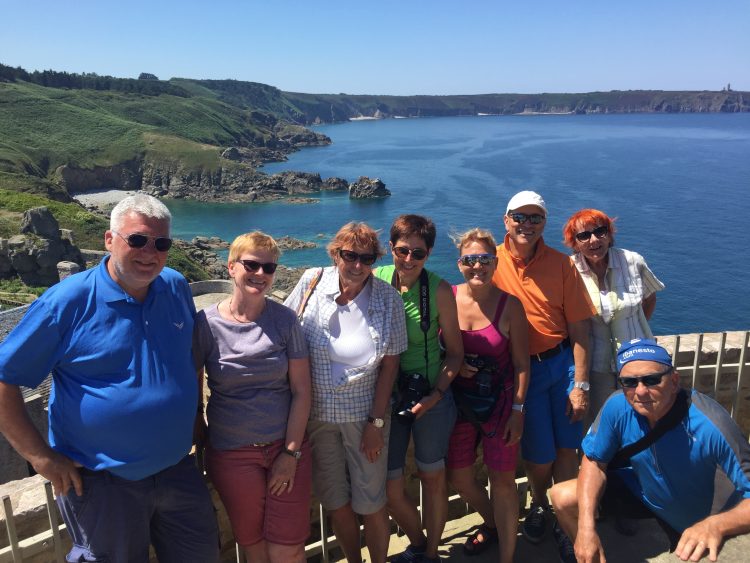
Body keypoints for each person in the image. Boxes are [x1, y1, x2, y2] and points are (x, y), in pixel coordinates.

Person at [0, 194, 219, 563]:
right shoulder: (65, 303)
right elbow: (4, 377)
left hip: (177, 469)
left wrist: (196, 413)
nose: (150, 252)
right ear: (109, 239)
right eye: (137, 240)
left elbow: (189, 358)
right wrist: (41, 458)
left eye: (161, 243)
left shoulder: (175, 286)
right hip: (102, 483)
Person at [551, 338, 750, 563]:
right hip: (647, 496)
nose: (641, 391)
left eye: (652, 380)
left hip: (706, 519)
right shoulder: (618, 406)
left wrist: (717, 525)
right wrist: (586, 528)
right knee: (562, 496)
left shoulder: (711, 424)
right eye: (629, 382)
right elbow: (595, 461)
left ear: (674, 381)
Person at [284, 222, 407, 563]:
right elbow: (282, 325)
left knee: (372, 504)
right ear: (335, 254)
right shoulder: (311, 280)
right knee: (337, 504)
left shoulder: (388, 300)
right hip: (317, 416)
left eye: (366, 258)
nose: (357, 265)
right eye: (349, 256)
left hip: (363, 416)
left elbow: (390, 368)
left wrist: (376, 423)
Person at [193, 232, 312, 563]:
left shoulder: (284, 320)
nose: (261, 274)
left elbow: (302, 390)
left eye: (269, 267)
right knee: (254, 547)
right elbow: (194, 387)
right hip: (232, 452)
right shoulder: (205, 324)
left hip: (285, 448)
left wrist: (291, 454)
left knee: (288, 550)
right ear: (231, 267)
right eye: (252, 264)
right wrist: (196, 429)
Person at [491, 190, 595, 561]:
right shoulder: (491, 259)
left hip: (560, 362)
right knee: (538, 454)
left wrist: (580, 384)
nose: (526, 224)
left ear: (544, 224)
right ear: (506, 219)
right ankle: (540, 505)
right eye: (519, 216)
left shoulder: (562, 265)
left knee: (568, 447)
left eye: (535, 218)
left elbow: (580, 331)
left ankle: (565, 516)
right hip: (521, 370)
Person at [373, 214, 464, 563]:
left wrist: (435, 395)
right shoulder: (376, 280)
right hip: (388, 397)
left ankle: (429, 554)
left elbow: (455, 355)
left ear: (429, 254)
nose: (408, 260)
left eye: (418, 253)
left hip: (431, 395)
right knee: (390, 487)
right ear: (390, 249)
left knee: (432, 477)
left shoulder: (440, 291)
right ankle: (420, 542)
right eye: (401, 250)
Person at [445, 228, 530, 563]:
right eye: (470, 260)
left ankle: (507, 557)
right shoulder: (447, 297)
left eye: (484, 259)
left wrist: (518, 411)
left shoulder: (510, 307)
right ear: (460, 263)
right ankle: (494, 524)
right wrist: (453, 360)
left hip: (500, 404)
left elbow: (523, 365)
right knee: (459, 477)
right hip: (459, 403)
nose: (477, 266)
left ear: (495, 263)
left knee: (503, 481)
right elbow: (432, 346)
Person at [563, 209, 665, 431]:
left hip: (637, 361)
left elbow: (649, 299)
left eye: (600, 231)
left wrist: (632, 331)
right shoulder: (568, 271)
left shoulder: (632, 261)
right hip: (596, 367)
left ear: (609, 234)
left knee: (643, 423)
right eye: (584, 236)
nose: (594, 240)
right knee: (602, 427)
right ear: (575, 242)